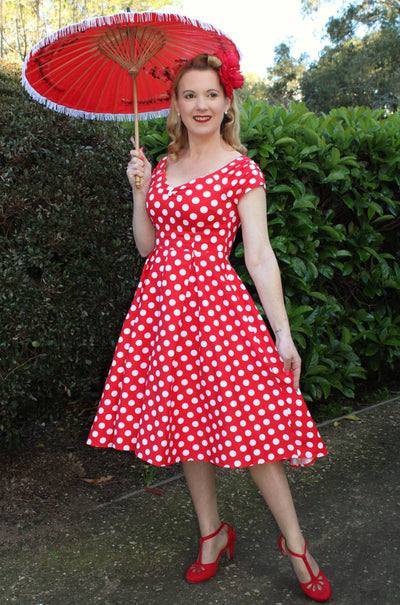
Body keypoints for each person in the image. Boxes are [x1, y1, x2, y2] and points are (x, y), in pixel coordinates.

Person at [87, 53, 331, 602]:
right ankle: (211, 535)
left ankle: (295, 544)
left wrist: (283, 333)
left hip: (221, 316)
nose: (200, 104)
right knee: (185, 430)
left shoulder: (241, 170)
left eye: (210, 95)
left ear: (227, 103)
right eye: (189, 95)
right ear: (175, 104)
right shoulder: (163, 166)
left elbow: (260, 256)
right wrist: (138, 190)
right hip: (162, 316)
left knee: (256, 434)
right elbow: (150, 249)